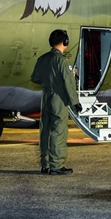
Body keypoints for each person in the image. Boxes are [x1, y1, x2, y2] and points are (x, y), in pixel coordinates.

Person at [31, 29, 80, 176]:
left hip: (46, 98)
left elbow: (35, 78)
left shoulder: (43, 59)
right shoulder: (62, 61)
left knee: (45, 130)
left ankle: (45, 164)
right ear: (65, 42)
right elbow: (68, 84)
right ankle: (56, 165)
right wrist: (75, 102)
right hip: (58, 100)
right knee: (58, 131)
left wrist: (49, 80)